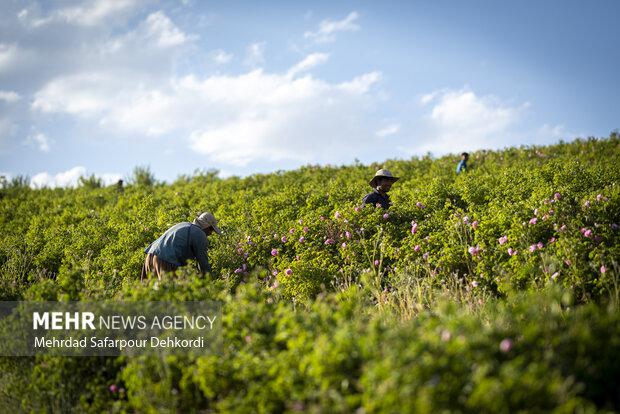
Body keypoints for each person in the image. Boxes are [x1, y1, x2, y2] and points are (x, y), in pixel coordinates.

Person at [141, 211, 222, 281]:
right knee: (171, 293)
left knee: (151, 293)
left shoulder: (184, 224)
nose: (211, 233)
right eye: (211, 229)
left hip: (150, 256)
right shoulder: (199, 234)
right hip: (165, 260)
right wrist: (210, 281)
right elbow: (203, 263)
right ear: (206, 226)